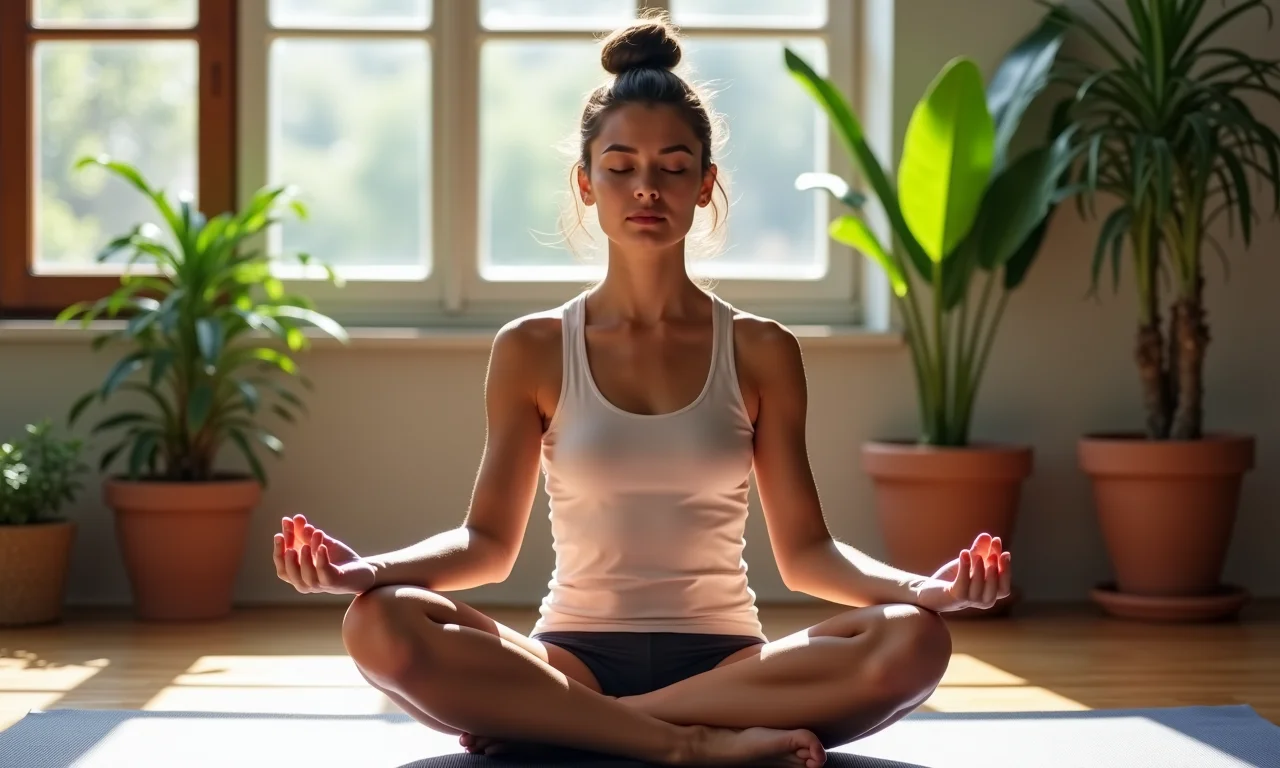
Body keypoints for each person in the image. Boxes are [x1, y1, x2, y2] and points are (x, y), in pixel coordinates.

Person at [272, 13, 1012, 768]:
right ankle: (684, 744)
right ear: (586, 183)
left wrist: (929, 588)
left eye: (673, 166)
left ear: (705, 184)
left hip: (731, 669)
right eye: (621, 167)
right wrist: (367, 571)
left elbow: (809, 554)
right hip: (569, 659)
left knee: (917, 638)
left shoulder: (761, 350)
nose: (646, 189)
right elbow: (486, 546)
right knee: (378, 623)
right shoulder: (532, 347)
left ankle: (589, 725)